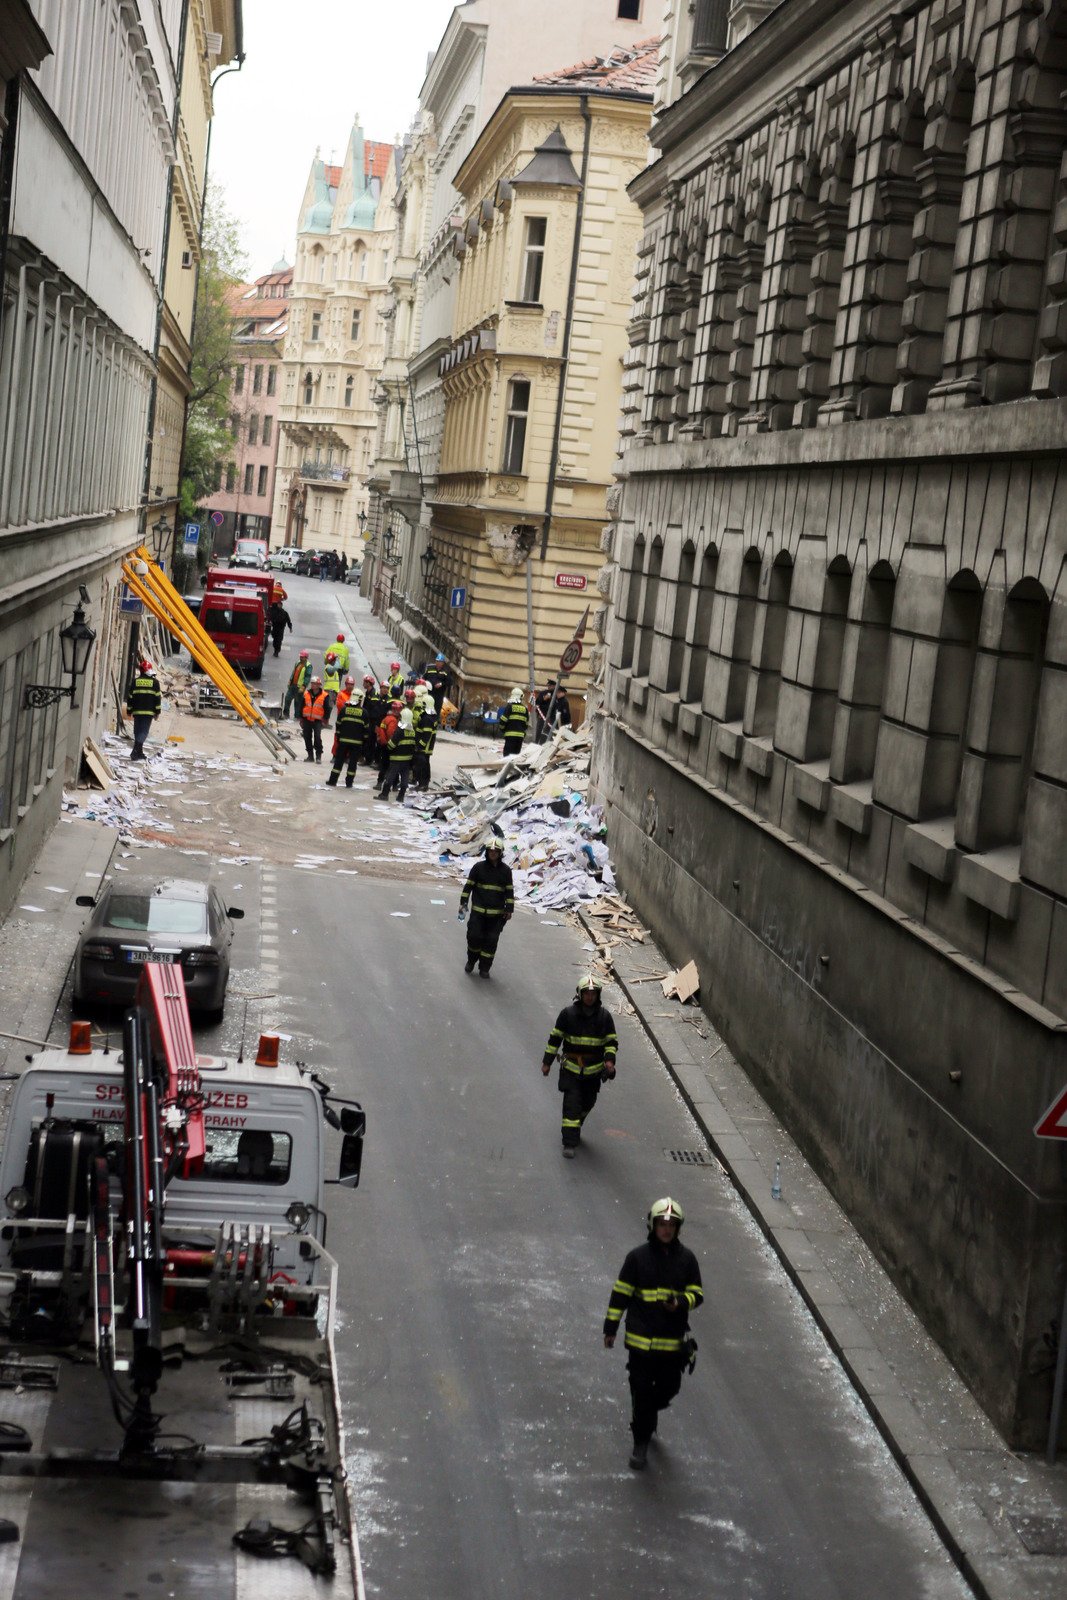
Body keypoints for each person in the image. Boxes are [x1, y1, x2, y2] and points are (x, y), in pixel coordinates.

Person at [603, 1197, 703, 1471]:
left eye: (671, 1225)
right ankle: (640, 1444)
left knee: (670, 1388)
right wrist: (610, 1329)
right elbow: (620, 1294)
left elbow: (698, 1293)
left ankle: (647, 1413)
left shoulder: (687, 1260)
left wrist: (680, 1303)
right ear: (653, 1225)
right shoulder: (637, 1258)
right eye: (662, 1224)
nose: (666, 1229)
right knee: (643, 1392)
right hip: (641, 1345)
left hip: (671, 1345)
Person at [541, 974, 617, 1157]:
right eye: (586, 993)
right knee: (572, 1105)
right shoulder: (567, 1015)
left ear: (598, 995)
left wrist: (609, 1061)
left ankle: (577, 1123)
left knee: (588, 1103)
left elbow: (611, 1042)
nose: (590, 997)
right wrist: (547, 1062)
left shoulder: (605, 1017)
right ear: (580, 995)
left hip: (593, 1073)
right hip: (571, 1070)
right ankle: (569, 1143)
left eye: (593, 993)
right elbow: (555, 1039)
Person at [458, 841, 513, 978]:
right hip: (478, 913)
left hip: (496, 916)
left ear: (500, 853)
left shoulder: (506, 871)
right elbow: (468, 887)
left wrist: (509, 909)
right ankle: (471, 961)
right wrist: (463, 904)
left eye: (495, 851)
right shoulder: (478, 868)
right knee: (474, 937)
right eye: (490, 851)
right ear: (487, 852)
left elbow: (509, 891)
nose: (492, 853)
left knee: (491, 942)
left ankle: (484, 968)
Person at [326, 691, 364, 788]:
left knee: (338, 762)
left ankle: (332, 781)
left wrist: (339, 738)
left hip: (343, 741)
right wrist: (364, 743)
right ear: (360, 700)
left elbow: (338, 725)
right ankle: (349, 783)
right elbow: (366, 730)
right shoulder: (364, 713)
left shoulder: (344, 710)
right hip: (356, 743)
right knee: (352, 764)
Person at [126, 658, 161, 760]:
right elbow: (157, 698)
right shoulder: (155, 683)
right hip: (148, 712)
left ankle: (139, 752)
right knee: (144, 732)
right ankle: (135, 751)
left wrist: (129, 710)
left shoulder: (135, 682)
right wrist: (157, 712)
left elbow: (130, 697)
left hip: (137, 711)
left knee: (137, 731)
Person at [380, 707, 416, 802]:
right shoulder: (412, 732)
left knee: (390, 778)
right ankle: (400, 797)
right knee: (404, 780)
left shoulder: (400, 731)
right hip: (407, 760)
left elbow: (391, 745)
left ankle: (384, 795)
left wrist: (387, 747)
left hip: (396, 759)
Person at [412, 688, 438, 790]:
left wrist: (420, 746)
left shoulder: (427, 719)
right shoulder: (431, 716)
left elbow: (426, 735)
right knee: (426, 765)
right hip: (427, 748)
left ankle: (422, 785)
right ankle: (424, 783)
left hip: (423, 748)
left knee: (422, 767)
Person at [375, 698, 402, 789]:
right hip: (390, 746)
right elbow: (391, 733)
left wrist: (380, 739)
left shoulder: (386, 718)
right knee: (394, 766)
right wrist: (393, 744)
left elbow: (380, 730)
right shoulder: (393, 720)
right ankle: (394, 785)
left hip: (383, 744)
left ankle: (379, 783)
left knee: (383, 765)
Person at [300, 676, 327, 762]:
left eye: (315, 684)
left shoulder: (325, 695)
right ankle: (310, 756)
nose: (313, 685)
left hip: (318, 720)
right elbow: (301, 706)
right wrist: (301, 719)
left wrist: (325, 719)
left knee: (317, 737)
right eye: (312, 683)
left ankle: (318, 756)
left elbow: (327, 709)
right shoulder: (306, 694)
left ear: (319, 685)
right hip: (307, 719)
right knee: (307, 737)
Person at [283, 649, 312, 720]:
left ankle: (297, 716)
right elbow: (294, 672)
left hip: (300, 687)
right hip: (293, 685)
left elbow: (307, 677)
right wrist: (290, 680)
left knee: (298, 701)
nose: (301, 658)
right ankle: (286, 714)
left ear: (306, 658)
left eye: (302, 657)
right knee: (287, 698)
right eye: (300, 657)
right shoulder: (298, 663)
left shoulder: (308, 666)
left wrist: (304, 686)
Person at [500, 688, 529, 755]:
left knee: (507, 755)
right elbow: (526, 724)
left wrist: (502, 729)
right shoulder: (525, 709)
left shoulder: (509, 707)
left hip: (510, 735)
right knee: (515, 755)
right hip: (520, 736)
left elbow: (503, 721)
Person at [361, 674, 382, 765]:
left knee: (370, 741)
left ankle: (368, 759)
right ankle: (368, 758)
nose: (363, 684)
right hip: (369, 720)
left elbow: (372, 710)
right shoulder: (368, 693)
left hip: (372, 721)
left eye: (365, 682)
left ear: (369, 683)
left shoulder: (373, 695)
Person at [322, 651, 341, 720]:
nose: (335, 661)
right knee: (328, 707)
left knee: (330, 707)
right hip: (330, 690)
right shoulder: (329, 668)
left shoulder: (331, 667)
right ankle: (324, 721)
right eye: (334, 660)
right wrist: (338, 660)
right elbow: (337, 667)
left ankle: (325, 721)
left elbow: (338, 666)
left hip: (333, 691)